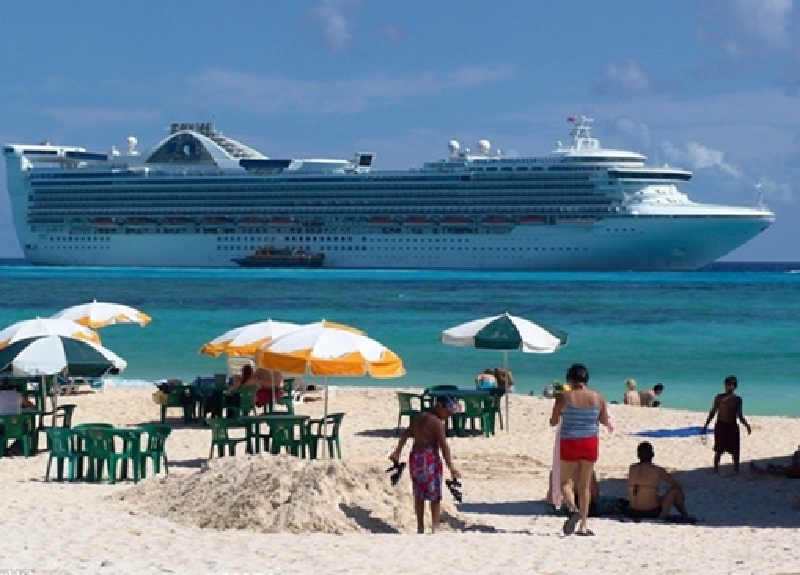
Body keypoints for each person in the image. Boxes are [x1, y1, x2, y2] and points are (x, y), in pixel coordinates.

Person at [549, 363, 610, 536]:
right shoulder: (599, 397)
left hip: (570, 442)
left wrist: (561, 416)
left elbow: (553, 421)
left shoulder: (564, 397)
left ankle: (572, 508)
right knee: (585, 485)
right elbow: (604, 420)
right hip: (590, 442)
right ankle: (583, 525)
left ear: (570, 379)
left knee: (565, 483)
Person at [389, 395, 462, 534]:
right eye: (448, 411)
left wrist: (397, 452)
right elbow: (443, 446)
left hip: (415, 457)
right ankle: (435, 527)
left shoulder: (419, 417)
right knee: (435, 495)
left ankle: (420, 527)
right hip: (429, 459)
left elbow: (405, 434)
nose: (449, 415)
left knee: (419, 494)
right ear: (439, 406)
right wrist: (451, 467)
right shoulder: (437, 423)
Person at [627, 441, 693, 521]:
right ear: (653, 455)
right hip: (652, 512)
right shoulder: (658, 470)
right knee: (675, 491)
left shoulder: (632, 468)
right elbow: (676, 484)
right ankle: (684, 515)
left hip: (633, 512)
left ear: (638, 455)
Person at [701, 375, 752, 475]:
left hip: (732, 426)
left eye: (732, 385)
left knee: (736, 450)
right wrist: (705, 426)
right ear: (724, 386)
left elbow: (739, 415)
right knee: (718, 449)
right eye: (728, 385)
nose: (730, 387)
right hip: (721, 426)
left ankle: (736, 470)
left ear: (735, 387)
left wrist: (747, 425)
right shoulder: (719, 398)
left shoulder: (738, 399)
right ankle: (716, 469)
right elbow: (713, 412)